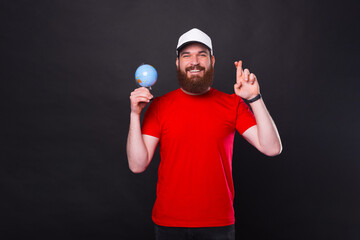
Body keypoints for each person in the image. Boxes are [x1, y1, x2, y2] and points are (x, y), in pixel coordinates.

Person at [127, 28, 282, 240]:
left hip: (218, 224)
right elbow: (137, 165)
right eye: (186, 55)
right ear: (177, 63)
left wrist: (254, 98)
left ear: (212, 61)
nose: (194, 61)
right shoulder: (159, 106)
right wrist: (135, 115)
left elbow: (272, 148)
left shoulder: (232, 104)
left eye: (202, 54)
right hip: (169, 223)